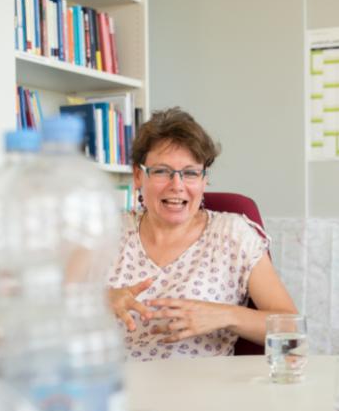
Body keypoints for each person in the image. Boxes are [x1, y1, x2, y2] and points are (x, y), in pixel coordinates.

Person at [107, 107, 297, 360]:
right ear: (138, 176)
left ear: (204, 179)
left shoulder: (234, 235)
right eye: (162, 171)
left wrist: (225, 315)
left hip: (204, 394)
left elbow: (292, 331)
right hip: (111, 391)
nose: (177, 186)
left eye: (190, 173)